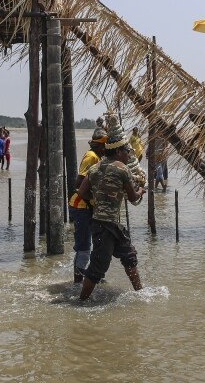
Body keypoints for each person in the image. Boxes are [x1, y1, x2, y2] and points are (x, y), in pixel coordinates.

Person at [78, 119, 146, 301]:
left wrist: (97, 202)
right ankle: (81, 301)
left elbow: (82, 191)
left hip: (106, 223)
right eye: (127, 151)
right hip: (106, 225)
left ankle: (141, 294)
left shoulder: (94, 168)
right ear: (117, 151)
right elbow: (133, 198)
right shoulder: (122, 169)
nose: (129, 154)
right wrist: (141, 189)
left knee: (129, 255)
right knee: (98, 267)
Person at [68, 129, 106, 283]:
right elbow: (79, 184)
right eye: (105, 146)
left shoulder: (97, 157)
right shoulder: (91, 157)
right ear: (99, 146)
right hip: (81, 206)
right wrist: (94, 201)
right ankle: (78, 281)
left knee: (89, 244)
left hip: (87, 207)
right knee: (84, 246)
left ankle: (84, 275)